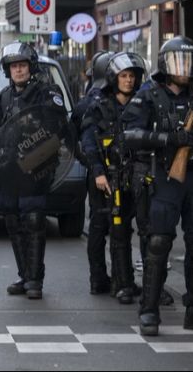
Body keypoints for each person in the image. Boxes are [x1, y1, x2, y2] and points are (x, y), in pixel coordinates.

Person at [122, 36, 193, 336]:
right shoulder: (148, 95)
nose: (183, 69)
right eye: (178, 61)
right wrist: (168, 139)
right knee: (158, 244)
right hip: (164, 175)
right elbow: (128, 135)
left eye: (188, 62)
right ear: (166, 65)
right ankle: (149, 311)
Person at [0, 42, 69, 300]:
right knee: (11, 220)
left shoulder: (47, 93)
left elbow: (59, 128)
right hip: (8, 171)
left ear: (31, 66)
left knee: (33, 220)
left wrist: (36, 153)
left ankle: (35, 279)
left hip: (34, 168)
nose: (18, 70)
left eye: (22, 65)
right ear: (8, 70)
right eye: (13, 66)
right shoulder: (4, 97)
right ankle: (23, 274)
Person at [80, 52, 146, 305]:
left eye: (132, 76)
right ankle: (101, 279)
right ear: (113, 78)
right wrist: (97, 172)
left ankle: (124, 280)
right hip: (105, 177)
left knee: (128, 228)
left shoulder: (142, 103)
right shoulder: (99, 105)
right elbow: (88, 141)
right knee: (102, 225)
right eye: (124, 76)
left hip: (134, 175)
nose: (128, 81)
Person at [72, 50, 114, 295]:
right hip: (115, 169)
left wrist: (88, 162)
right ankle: (120, 278)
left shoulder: (85, 103)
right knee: (118, 226)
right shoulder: (105, 101)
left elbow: (74, 135)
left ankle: (98, 278)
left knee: (98, 224)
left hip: (96, 171)